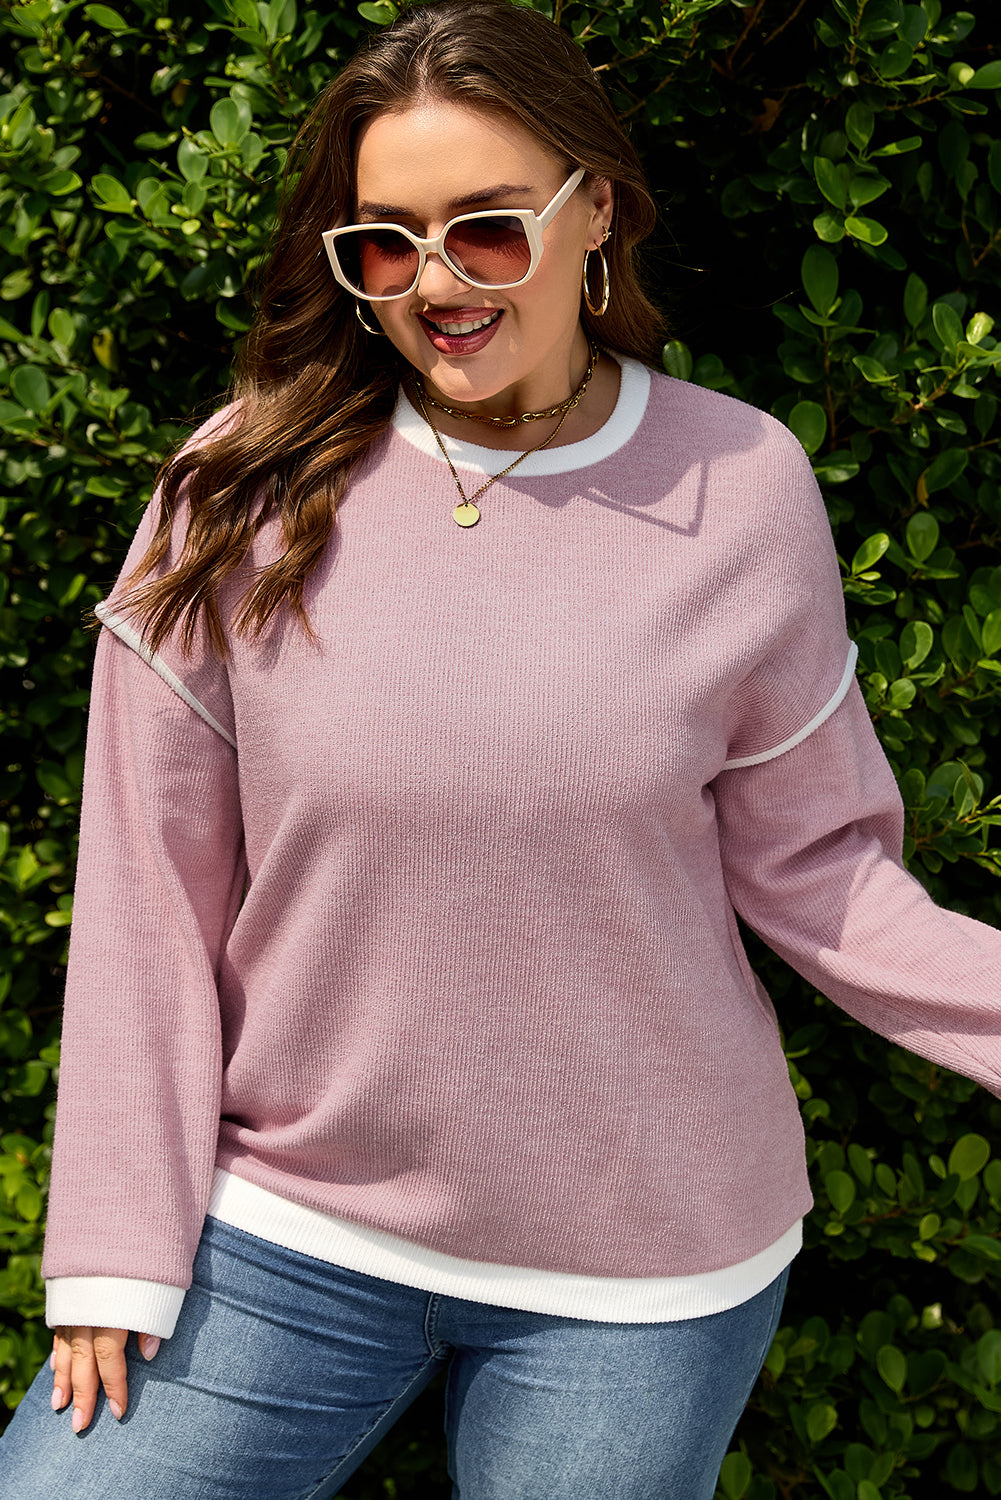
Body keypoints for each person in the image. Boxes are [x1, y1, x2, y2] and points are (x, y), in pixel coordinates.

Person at [1, 2, 999, 1496]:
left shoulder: (742, 483)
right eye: (385, 245)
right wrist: (110, 1242)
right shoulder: (237, 486)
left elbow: (823, 875)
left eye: (485, 229)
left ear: (595, 210)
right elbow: (147, 897)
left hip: (641, 1268)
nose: (437, 284)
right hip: (285, 1230)